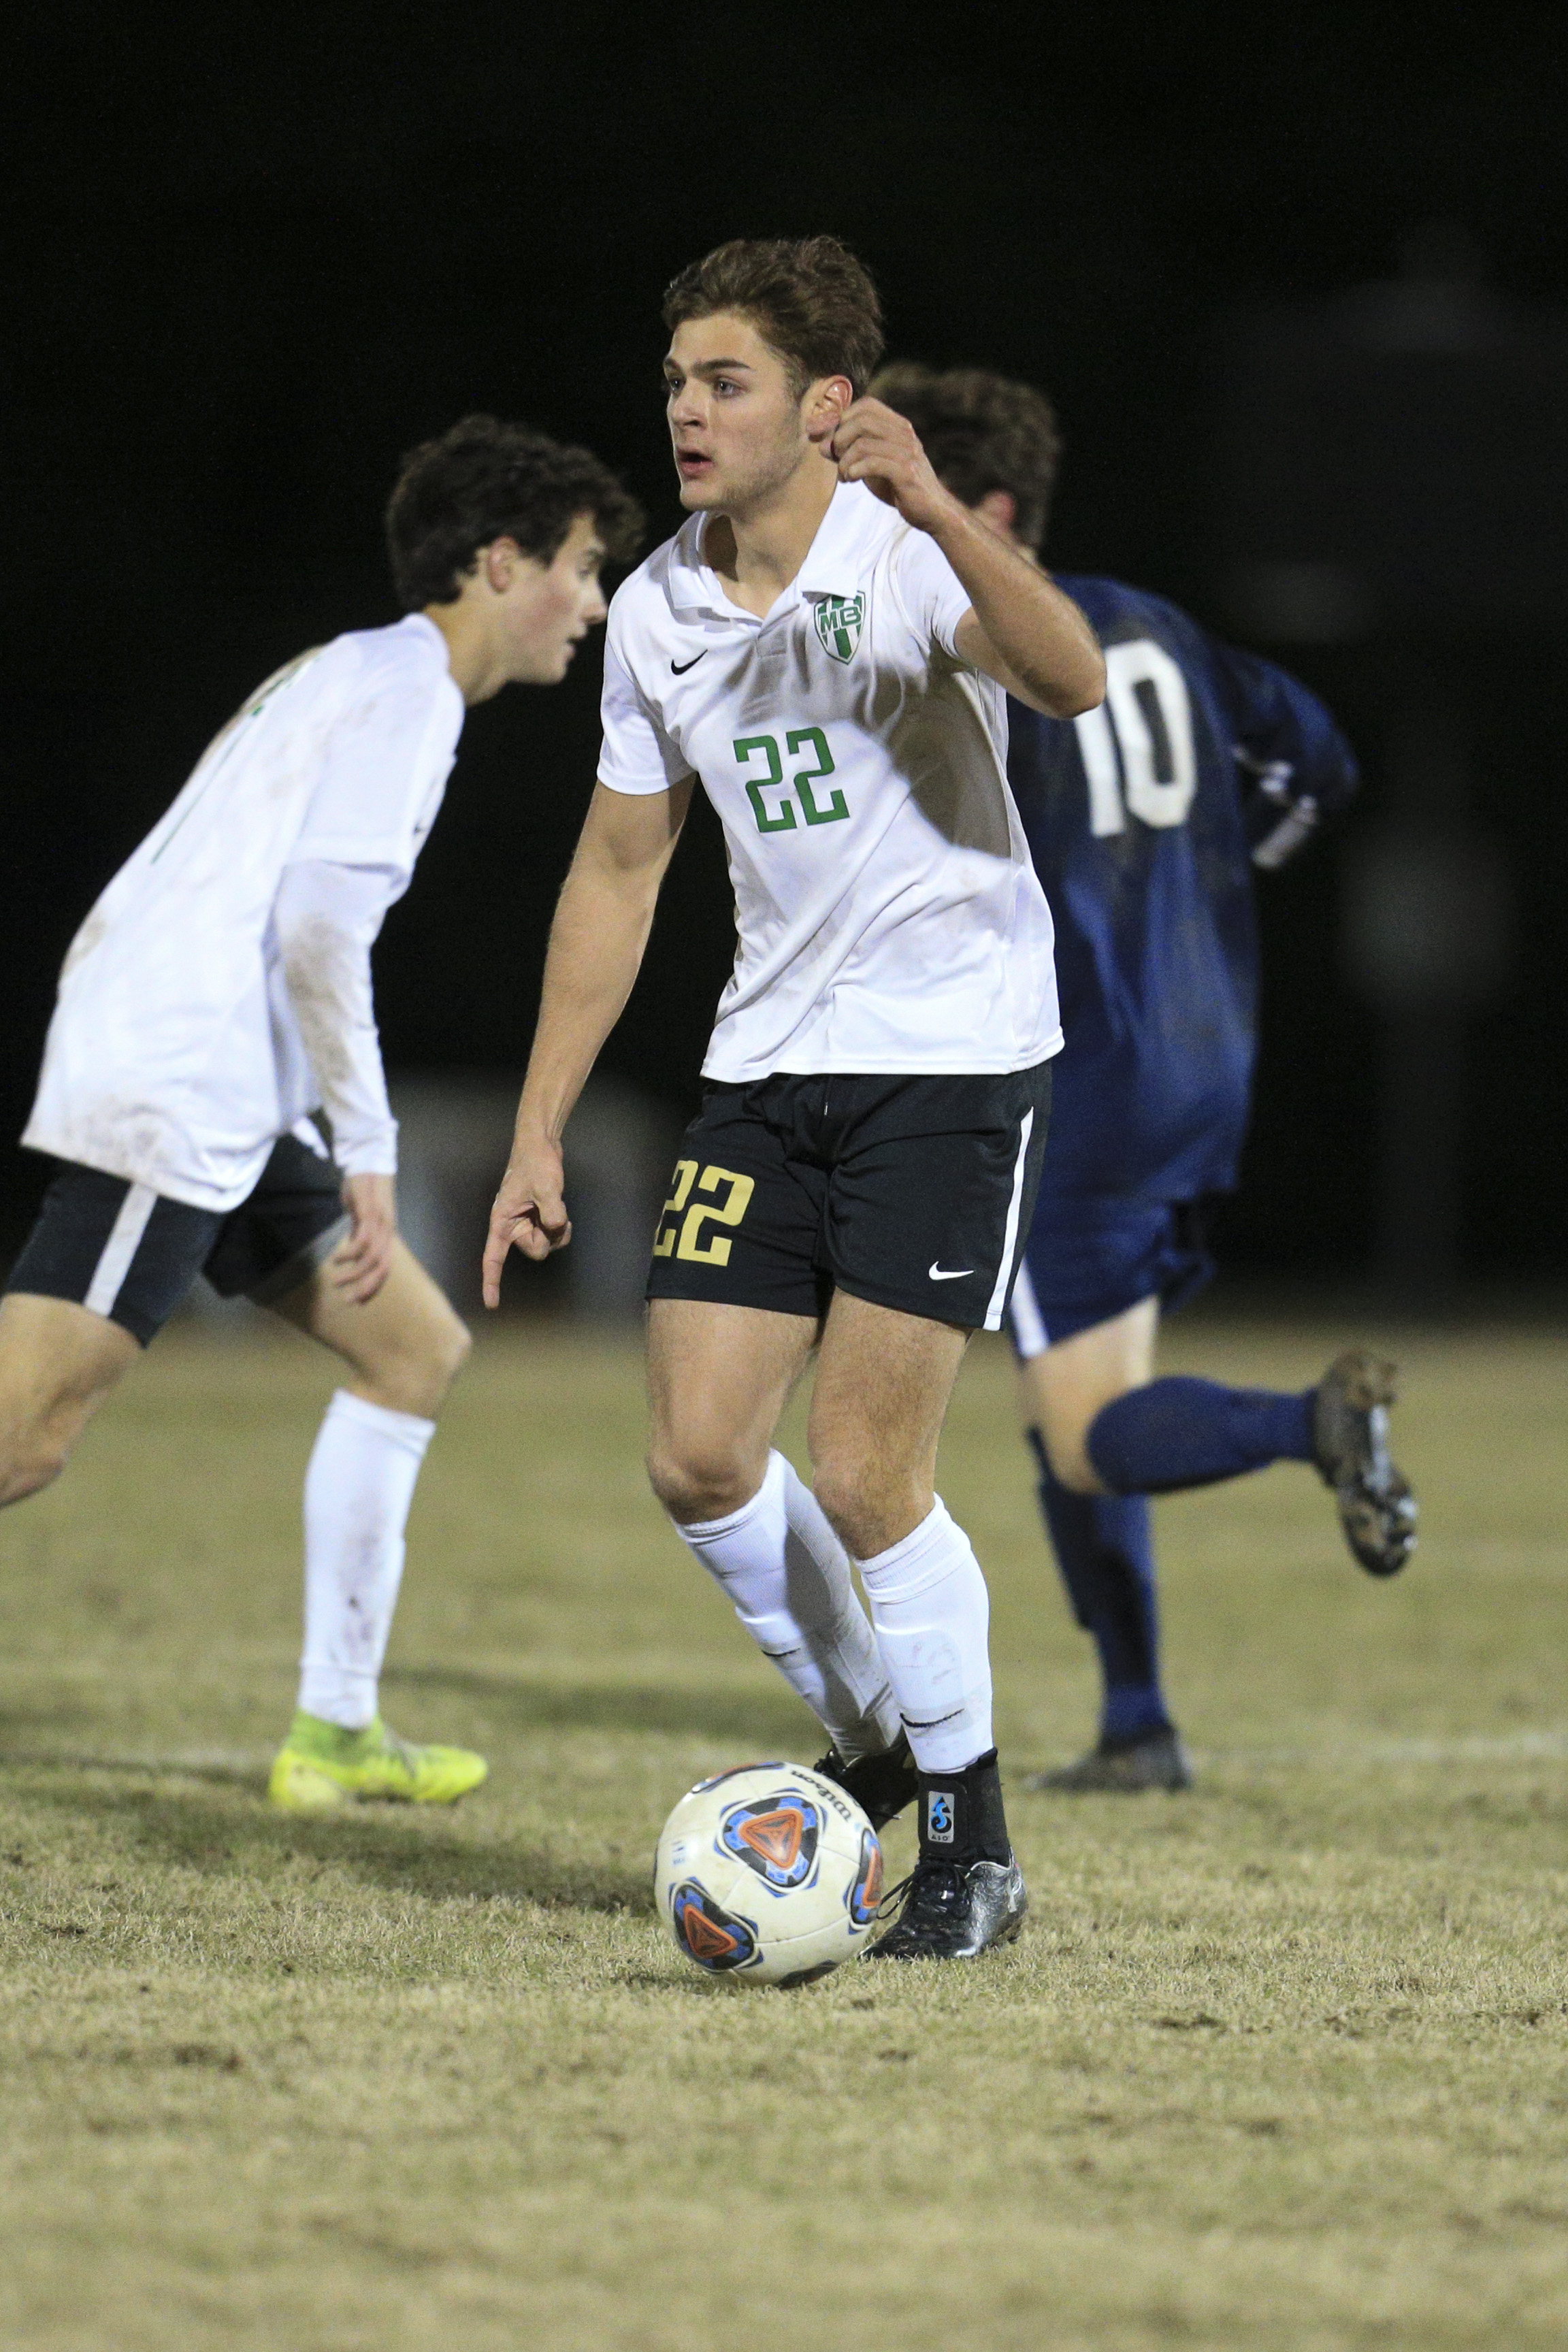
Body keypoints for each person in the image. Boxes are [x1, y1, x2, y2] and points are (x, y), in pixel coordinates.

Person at [483, 237, 1105, 1960]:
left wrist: (946, 510)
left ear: (827, 407)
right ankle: (893, 1740)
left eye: (725, 380)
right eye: (677, 379)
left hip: (951, 1059)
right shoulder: (668, 611)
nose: (685, 409)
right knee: (697, 1456)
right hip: (765, 1068)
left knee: (865, 1474)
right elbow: (618, 871)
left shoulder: (899, 560)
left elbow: (1068, 677)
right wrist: (541, 1124)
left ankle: (970, 1844)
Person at [1, 414, 642, 1813]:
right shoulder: (404, 692)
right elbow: (317, 932)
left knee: (411, 1348)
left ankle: (336, 1730)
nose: (595, 604)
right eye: (584, 570)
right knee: (26, 1438)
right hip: (178, 1083)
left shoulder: (367, 677)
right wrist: (369, 1150)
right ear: (500, 560)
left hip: (224, 1093)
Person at [872, 363, 1418, 1791]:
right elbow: (1319, 767)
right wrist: (1215, 875)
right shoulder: (1159, 624)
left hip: (1084, 1074)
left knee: (1092, 1429)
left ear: (983, 506)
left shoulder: (986, 641)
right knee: (1082, 1385)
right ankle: (1137, 1726)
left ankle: (1312, 1425)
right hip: (1204, 1054)